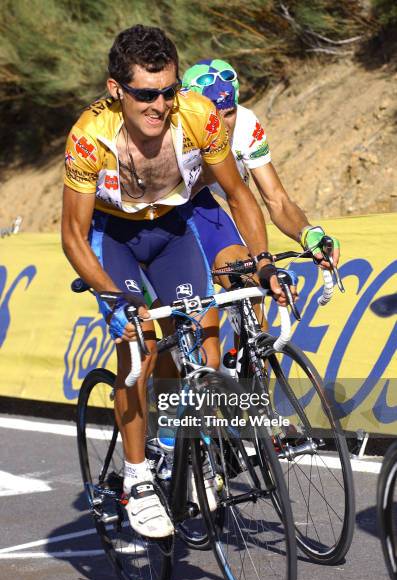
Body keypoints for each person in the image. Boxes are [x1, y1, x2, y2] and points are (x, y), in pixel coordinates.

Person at [61, 25, 285, 538]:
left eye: (169, 90)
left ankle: (182, 448)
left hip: (172, 228)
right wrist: (114, 300)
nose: (160, 105)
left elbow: (239, 195)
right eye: (146, 94)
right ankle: (137, 477)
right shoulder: (88, 138)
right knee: (140, 344)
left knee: (197, 344)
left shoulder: (198, 116)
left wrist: (262, 261)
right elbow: (73, 236)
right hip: (112, 236)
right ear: (116, 89)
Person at [180, 58, 340, 284]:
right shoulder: (177, 132)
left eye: (229, 113)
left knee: (246, 278)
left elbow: (277, 200)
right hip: (178, 203)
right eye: (213, 115)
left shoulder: (246, 124)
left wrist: (307, 233)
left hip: (220, 203)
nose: (224, 125)